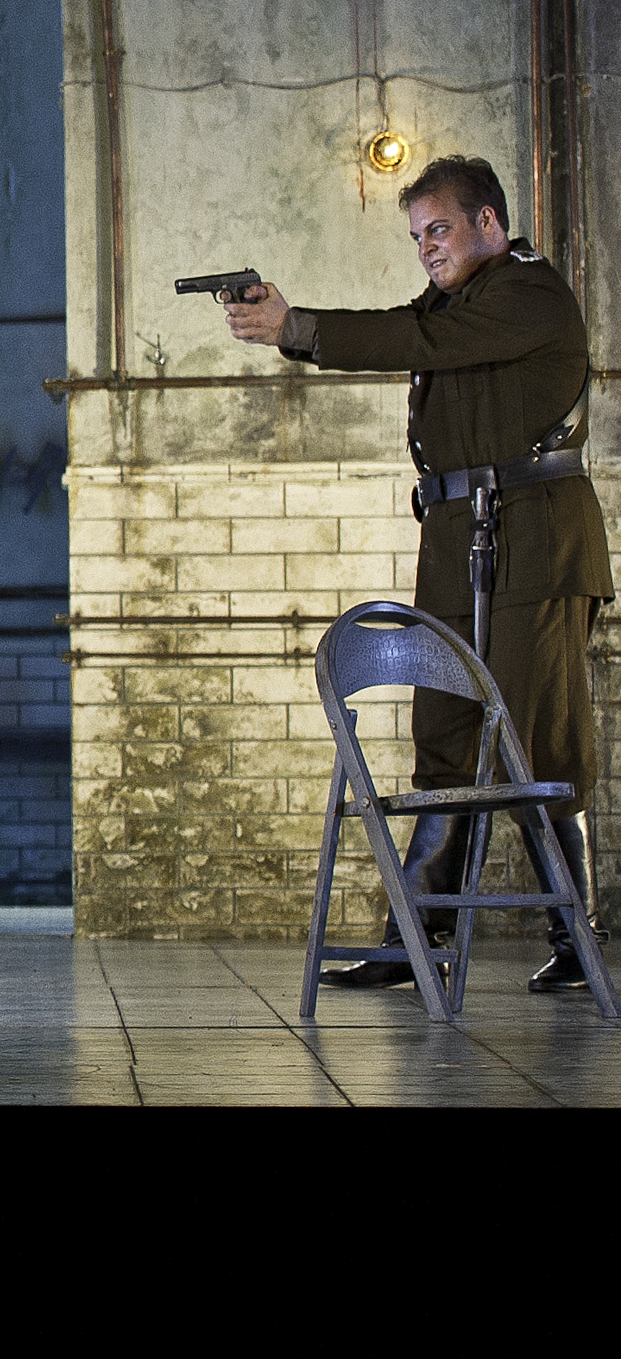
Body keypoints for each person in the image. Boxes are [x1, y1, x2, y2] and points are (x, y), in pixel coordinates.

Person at [228, 154, 611, 992]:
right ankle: (416, 937)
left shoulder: (526, 290)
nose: (425, 249)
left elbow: (414, 338)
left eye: (437, 229)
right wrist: (288, 328)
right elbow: (407, 328)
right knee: (440, 734)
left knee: (534, 740)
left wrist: (300, 326)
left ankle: (573, 937)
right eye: (414, 236)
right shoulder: (454, 299)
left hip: (536, 543)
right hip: (459, 536)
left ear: (487, 221)